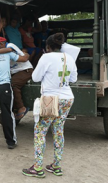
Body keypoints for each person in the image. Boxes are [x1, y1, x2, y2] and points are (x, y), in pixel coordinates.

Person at [22, 33, 77, 178]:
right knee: (58, 131)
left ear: (47, 47)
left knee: (40, 131)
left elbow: (35, 77)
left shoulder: (46, 57)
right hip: (67, 98)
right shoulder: (69, 57)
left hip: (50, 99)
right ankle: (56, 165)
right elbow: (74, 78)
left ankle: (38, 167)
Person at [0, 37, 33, 120]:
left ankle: (21, 107)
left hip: (25, 70)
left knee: (14, 84)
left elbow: (10, 50)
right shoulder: (1, 52)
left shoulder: (10, 46)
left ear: (3, 43)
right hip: (16, 72)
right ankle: (13, 109)